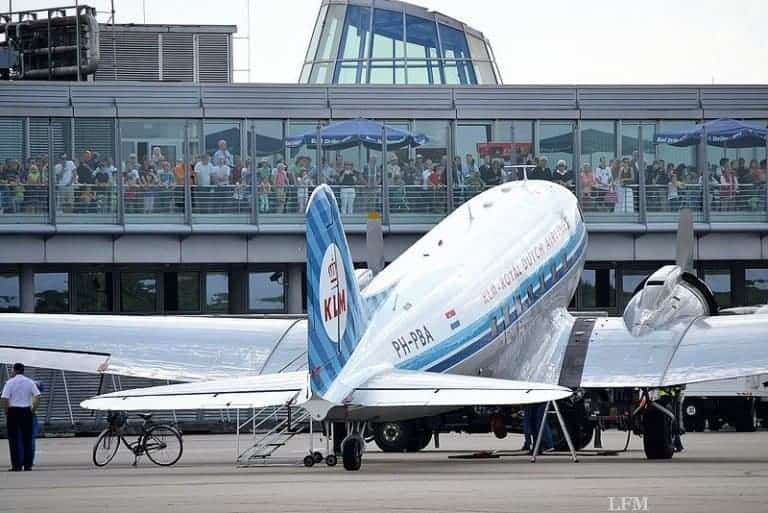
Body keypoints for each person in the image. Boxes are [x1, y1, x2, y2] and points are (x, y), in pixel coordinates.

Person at [1, 363, 41, 471]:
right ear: (23, 371)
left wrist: (6, 411)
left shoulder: (9, 383)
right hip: (26, 411)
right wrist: (33, 409)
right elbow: (37, 396)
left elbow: (4, 398)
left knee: (14, 439)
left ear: (14, 370)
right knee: (27, 438)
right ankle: (28, 465)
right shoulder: (30, 382)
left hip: (13, 411)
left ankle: (16, 465)